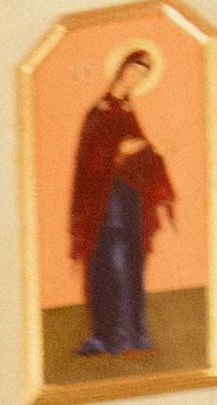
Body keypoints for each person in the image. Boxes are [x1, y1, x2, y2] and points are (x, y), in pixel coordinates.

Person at [68, 46, 176, 358]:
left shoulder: (128, 112)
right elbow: (89, 160)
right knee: (111, 266)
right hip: (104, 204)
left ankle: (136, 337)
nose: (136, 79)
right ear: (122, 70)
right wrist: (122, 149)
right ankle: (112, 339)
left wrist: (153, 153)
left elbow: (137, 154)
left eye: (142, 76)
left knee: (133, 265)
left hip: (127, 201)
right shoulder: (99, 111)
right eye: (134, 72)